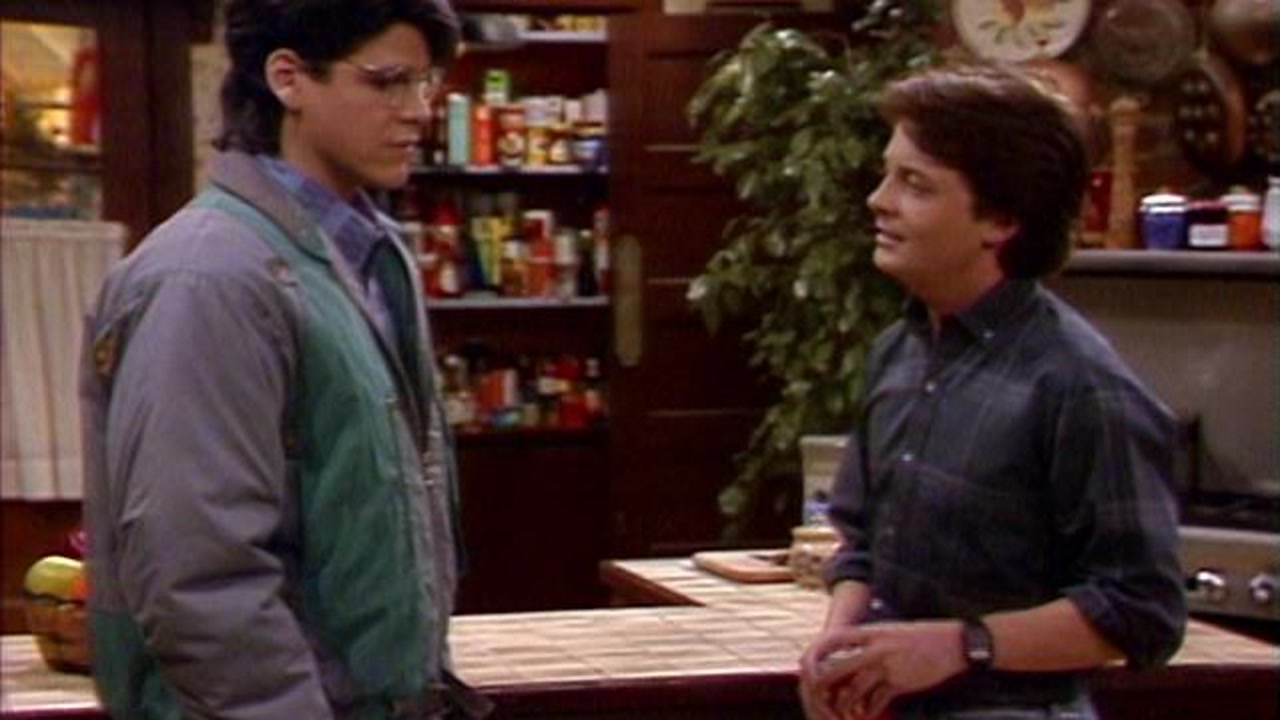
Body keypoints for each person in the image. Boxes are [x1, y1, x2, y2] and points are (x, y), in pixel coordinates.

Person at [79, 1, 491, 718]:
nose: (418, 111)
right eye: (387, 81)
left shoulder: (367, 255)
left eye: (424, 82)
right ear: (288, 78)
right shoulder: (208, 277)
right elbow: (199, 577)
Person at [797, 64, 1186, 720]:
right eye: (888, 175)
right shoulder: (899, 351)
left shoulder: (1078, 385)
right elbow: (861, 544)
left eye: (915, 184)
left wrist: (963, 645)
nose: (878, 201)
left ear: (1000, 220)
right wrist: (840, 643)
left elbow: (1142, 610)